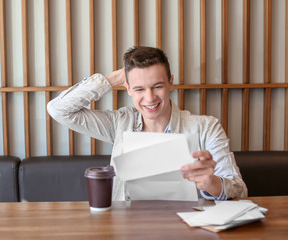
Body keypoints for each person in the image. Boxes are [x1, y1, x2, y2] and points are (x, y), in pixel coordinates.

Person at [47, 46, 247, 201]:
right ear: (127, 87)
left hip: (187, 228)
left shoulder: (206, 128)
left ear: (171, 82)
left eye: (157, 86)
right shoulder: (119, 123)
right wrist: (114, 78)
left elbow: (240, 190)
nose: (149, 98)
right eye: (139, 89)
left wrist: (212, 184)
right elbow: (59, 110)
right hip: (127, 228)